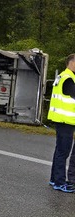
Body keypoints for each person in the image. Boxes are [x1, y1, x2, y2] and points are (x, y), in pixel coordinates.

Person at [48, 53, 75, 193]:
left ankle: (54, 179)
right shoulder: (69, 79)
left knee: (59, 150)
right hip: (66, 120)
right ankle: (59, 182)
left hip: (61, 119)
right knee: (63, 152)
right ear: (72, 63)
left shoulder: (63, 76)